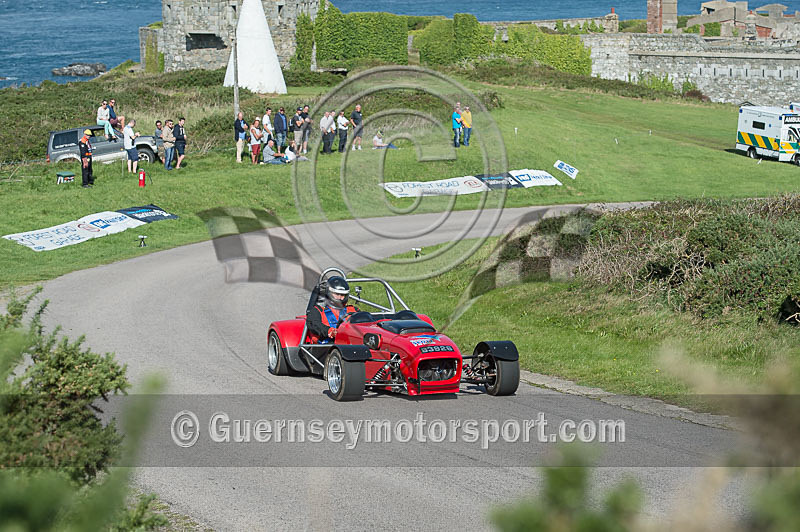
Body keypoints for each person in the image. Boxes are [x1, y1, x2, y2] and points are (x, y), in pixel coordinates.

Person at [306, 276, 357, 343]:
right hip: (325, 346)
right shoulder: (318, 310)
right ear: (329, 293)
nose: (339, 297)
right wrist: (329, 331)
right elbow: (315, 324)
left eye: (342, 295)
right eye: (337, 294)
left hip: (351, 343)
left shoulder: (352, 310)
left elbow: (366, 321)